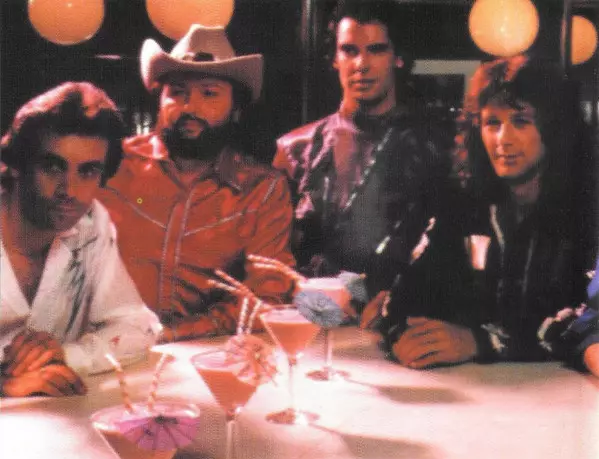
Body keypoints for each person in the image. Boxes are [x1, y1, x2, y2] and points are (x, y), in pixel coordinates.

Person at [383, 54, 596, 368]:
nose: (503, 139)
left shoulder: (586, 211)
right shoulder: (463, 207)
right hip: (476, 390)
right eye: (492, 123)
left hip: (563, 390)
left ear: (554, 128)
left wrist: (484, 342)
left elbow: (585, 323)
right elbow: (402, 297)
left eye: (520, 121)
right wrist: (407, 334)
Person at [101, 25, 295, 341]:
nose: (190, 107)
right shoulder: (113, 164)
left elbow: (266, 296)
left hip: (203, 352)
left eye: (209, 94)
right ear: (159, 99)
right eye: (177, 92)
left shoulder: (262, 189)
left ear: (236, 108)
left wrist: (176, 333)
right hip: (104, 345)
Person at [272, 0, 451, 315]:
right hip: (310, 319)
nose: (361, 65)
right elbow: (271, 260)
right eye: (349, 50)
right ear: (335, 58)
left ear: (397, 57)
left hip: (403, 319)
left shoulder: (436, 147)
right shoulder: (295, 149)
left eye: (376, 50)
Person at [0, 82, 162, 397]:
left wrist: (65, 356)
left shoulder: (91, 224)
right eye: (52, 167)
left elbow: (136, 327)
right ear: (17, 165)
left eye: (87, 172)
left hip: (53, 415)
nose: (69, 191)